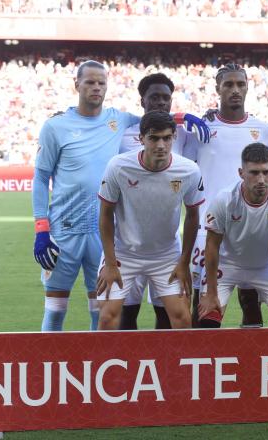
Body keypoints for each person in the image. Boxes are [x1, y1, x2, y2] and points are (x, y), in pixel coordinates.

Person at [32, 61, 209, 332]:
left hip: (106, 234)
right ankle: (46, 372)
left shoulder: (117, 120)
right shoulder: (58, 126)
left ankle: (97, 367)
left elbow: (155, 118)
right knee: (57, 308)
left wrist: (184, 116)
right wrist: (41, 227)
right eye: (90, 82)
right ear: (76, 84)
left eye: (101, 83)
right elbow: (42, 177)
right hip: (68, 229)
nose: (96, 87)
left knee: (99, 309)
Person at [95, 111, 203, 330]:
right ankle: (109, 364)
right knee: (107, 318)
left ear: (174, 137)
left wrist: (183, 262)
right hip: (123, 253)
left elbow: (193, 216)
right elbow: (106, 214)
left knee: (182, 319)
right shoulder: (119, 166)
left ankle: (175, 365)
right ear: (141, 139)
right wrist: (110, 262)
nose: (161, 145)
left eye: (166, 138)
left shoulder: (189, 170)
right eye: (154, 138)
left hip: (166, 254)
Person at [185, 63, 268, 327]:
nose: (235, 90)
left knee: (251, 300)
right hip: (207, 228)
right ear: (217, 88)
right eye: (228, 85)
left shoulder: (264, 130)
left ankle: (250, 360)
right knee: (202, 302)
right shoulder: (200, 129)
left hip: (250, 227)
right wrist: (183, 117)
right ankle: (199, 360)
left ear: (247, 87)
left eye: (240, 84)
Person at [118, 72, 205, 330]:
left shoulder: (183, 135)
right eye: (154, 97)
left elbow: (191, 175)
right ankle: (129, 367)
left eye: (166, 98)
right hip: (127, 242)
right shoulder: (125, 133)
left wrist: (183, 118)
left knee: (167, 316)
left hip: (167, 244)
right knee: (126, 316)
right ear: (142, 100)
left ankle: (164, 368)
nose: (160, 102)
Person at [197, 143, 268, 327]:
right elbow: (212, 246)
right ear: (241, 173)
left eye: (266, 172)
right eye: (254, 172)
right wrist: (211, 293)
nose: (261, 179)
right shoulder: (225, 200)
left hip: (266, 265)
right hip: (227, 265)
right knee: (207, 317)